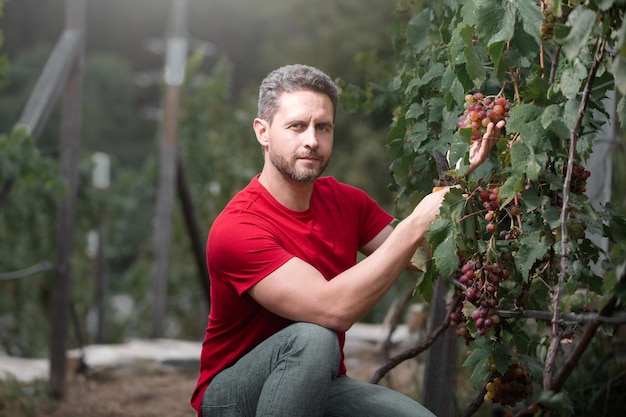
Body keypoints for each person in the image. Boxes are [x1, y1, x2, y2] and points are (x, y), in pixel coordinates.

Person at [191, 64, 503, 417]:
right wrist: (414, 222)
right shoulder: (238, 228)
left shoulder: (345, 202)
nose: (311, 140)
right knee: (314, 337)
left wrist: (459, 181)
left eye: (322, 127)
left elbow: (423, 258)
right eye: (296, 126)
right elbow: (332, 310)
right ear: (263, 132)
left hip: (320, 382)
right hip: (232, 398)